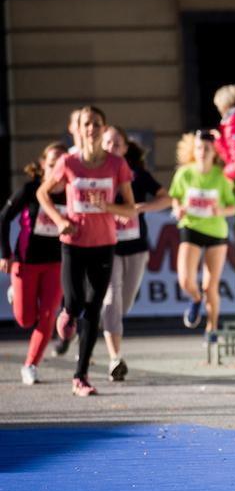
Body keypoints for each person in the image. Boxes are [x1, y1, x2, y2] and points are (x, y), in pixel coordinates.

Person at [38, 106, 136, 397]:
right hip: (73, 244)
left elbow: (130, 208)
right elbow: (43, 193)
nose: (91, 128)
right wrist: (59, 220)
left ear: (104, 127)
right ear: (78, 129)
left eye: (96, 123)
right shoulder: (68, 162)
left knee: (93, 309)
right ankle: (67, 314)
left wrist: (107, 207)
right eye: (86, 124)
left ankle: (80, 376)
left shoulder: (117, 164)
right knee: (75, 303)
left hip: (104, 244)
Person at [100, 127, 172, 381]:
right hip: (106, 247)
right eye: (107, 143)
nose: (111, 148)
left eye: (117, 144)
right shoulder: (95, 174)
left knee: (123, 303)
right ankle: (114, 358)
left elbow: (167, 199)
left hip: (136, 246)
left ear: (125, 148)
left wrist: (142, 208)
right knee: (113, 296)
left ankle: (101, 322)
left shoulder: (137, 174)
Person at [0, 142, 67, 385]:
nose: (57, 169)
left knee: (47, 315)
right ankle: (15, 293)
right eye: (52, 164)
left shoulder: (71, 192)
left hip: (56, 263)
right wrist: (5, 253)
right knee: (25, 319)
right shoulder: (30, 190)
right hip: (26, 262)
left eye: (62, 164)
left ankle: (31, 364)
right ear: (43, 166)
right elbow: (4, 218)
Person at [170, 131, 235, 344]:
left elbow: (234, 205)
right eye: (199, 148)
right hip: (191, 228)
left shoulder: (222, 175)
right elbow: (175, 199)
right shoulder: (185, 174)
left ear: (214, 151)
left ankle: (212, 327)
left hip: (216, 232)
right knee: (185, 280)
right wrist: (178, 209)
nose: (202, 152)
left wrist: (221, 211)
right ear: (193, 149)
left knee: (211, 285)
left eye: (207, 148)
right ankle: (196, 299)